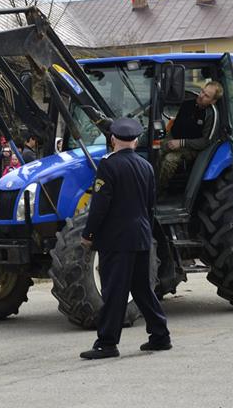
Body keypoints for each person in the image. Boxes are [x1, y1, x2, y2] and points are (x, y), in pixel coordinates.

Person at [79, 118, 170, 359]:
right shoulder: (146, 167)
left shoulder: (108, 166)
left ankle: (107, 343)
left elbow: (99, 205)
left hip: (116, 239)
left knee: (114, 291)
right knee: (142, 290)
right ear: (136, 141)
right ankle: (160, 335)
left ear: (112, 140)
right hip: (140, 236)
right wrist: (146, 233)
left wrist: (88, 234)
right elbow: (150, 207)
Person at [157, 81, 222, 191]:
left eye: (207, 96)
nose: (201, 96)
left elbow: (205, 141)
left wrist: (181, 142)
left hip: (192, 147)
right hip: (174, 138)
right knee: (155, 150)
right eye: (202, 92)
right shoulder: (187, 104)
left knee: (169, 159)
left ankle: (159, 191)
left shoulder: (211, 114)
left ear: (213, 101)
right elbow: (176, 125)